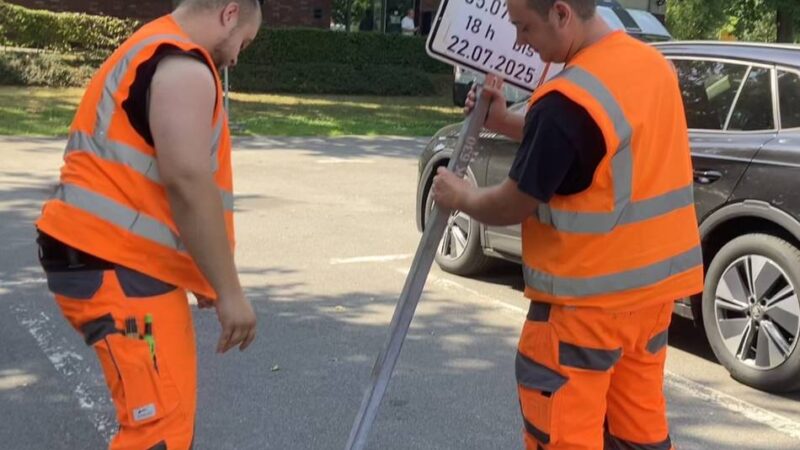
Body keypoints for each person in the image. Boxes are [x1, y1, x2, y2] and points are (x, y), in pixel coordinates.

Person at [431, 0, 704, 449]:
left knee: (564, 436)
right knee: (639, 433)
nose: (520, 40)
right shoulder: (650, 65)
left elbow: (514, 201)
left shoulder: (566, 101)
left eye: (524, 27)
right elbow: (585, 145)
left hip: (585, 305)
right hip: (651, 301)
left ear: (561, 13)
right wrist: (505, 121)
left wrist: (462, 196)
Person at [35, 1, 263, 448]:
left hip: (114, 265)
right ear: (230, 13)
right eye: (245, 42)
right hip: (117, 268)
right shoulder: (184, 67)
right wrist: (230, 293)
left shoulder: (150, 47)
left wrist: (202, 276)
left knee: (166, 419)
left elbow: (151, 187)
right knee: (158, 431)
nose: (237, 56)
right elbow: (187, 182)